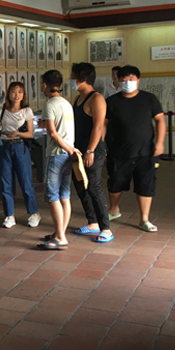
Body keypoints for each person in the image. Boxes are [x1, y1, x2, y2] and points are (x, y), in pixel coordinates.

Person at [105, 65, 165, 232]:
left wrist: (160, 142)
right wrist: (100, 145)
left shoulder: (149, 99)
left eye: (131, 79)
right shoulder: (112, 101)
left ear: (138, 80)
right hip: (118, 151)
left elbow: (160, 120)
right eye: (123, 80)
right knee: (115, 182)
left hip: (146, 152)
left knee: (145, 184)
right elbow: (103, 124)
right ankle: (114, 209)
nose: (127, 83)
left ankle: (144, 219)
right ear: (118, 81)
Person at [70, 63, 113, 243]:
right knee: (80, 186)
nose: (71, 80)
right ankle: (93, 222)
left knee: (93, 187)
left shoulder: (97, 99)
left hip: (92, 151)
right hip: (78, 151)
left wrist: (90, 150)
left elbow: (98, 127)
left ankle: (106, 228)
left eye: (73, 77)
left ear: (83, 78)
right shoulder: (78, 98)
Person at [0, 81, 41, 229]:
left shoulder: (26, 111)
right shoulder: (2, 111)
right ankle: (9, 215)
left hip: (20, 147)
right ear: (8, 94)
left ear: (23, 94)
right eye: (13, 92)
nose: (17, 95)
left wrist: (17, 133)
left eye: (20, 92)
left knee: (26, 182)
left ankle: (34, 213)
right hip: (5, 147)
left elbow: (30, 133)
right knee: (6, 183)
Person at [38, 69, 77, 250]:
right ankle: (60, 233)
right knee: (64, 195)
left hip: (56, 153)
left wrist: (67, 148)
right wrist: (70, 149)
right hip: (68, 154)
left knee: (52, 195)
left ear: (45, 85)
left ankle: (60, 237)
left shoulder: (50, 104)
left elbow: (53, 133)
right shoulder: (66, 103)